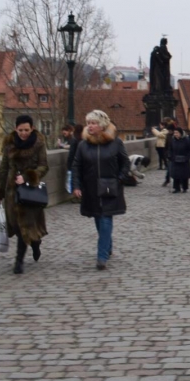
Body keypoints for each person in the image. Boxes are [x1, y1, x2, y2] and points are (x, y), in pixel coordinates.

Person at [72, 110, 130, 270]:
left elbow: (125, 163)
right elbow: (76, 166)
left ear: (102, 125)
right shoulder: (83, 145)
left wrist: (119, 179)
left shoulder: (115, 143)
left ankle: (101, 256)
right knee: (98, 219)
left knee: (105, 218)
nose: (90, 126)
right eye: (88, 123)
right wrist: (76, 186)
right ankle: (107, 244)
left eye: (94, 123)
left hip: (110, 187)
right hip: (90, 188)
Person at [0, 115, 50, 275]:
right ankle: (31, 245)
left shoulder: (39, 143)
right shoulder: (9, 143)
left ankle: (21, 259)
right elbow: (4, 168)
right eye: (20, 130)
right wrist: (0, 190)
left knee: (27, 225)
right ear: (15, 129)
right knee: (17, 226)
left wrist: (27, 177)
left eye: (26, 130)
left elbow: (44, 166)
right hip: (12, 192)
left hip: (30, 192)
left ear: (32, 128)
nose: (23, 133)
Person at [167, 127, 190, 193]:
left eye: (177, 133)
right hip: (175, 159)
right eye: (174, 133)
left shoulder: (186, 140)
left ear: (180, 133)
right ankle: (176, 188)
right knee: (176, 174)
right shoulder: (173, 140)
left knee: (184, 174)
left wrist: (187, 157)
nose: (175, 134)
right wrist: (170, 156)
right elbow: (170, 149)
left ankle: (184, 188)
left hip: (184, 159)